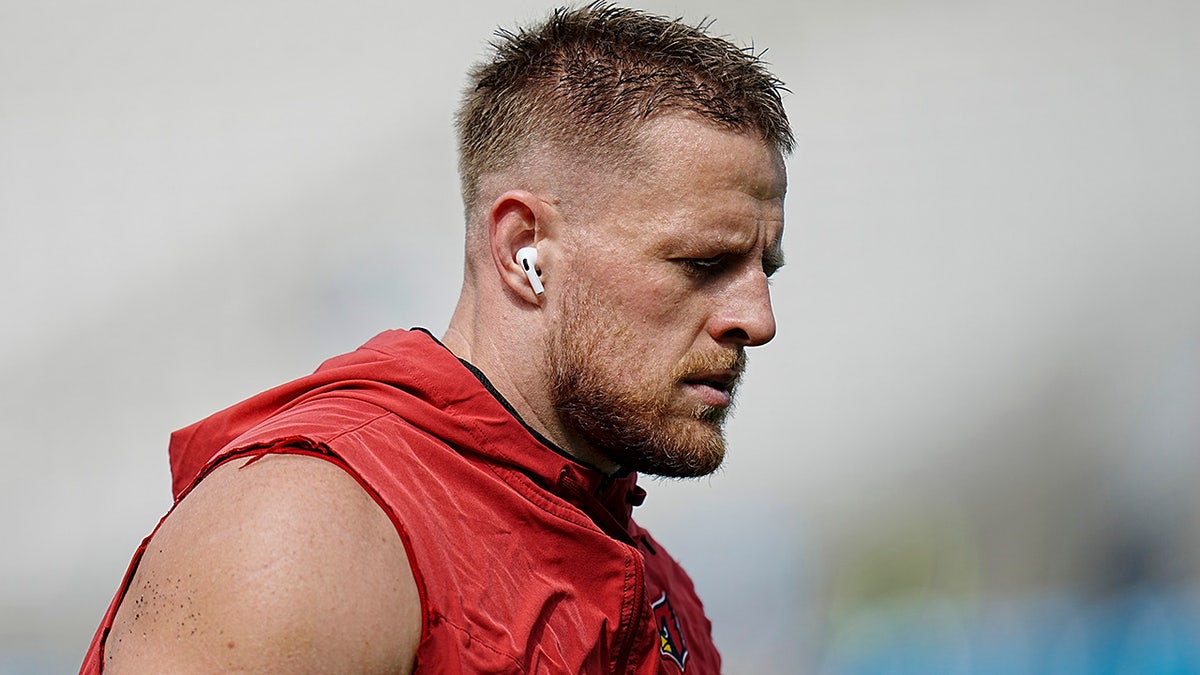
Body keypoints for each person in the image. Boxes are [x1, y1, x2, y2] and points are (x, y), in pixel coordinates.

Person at [81, 2, 793, 672]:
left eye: (763, 268)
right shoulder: (310, 535)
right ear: (524, 247)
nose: (757, 320)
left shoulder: (656, 585)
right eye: (703, 263)